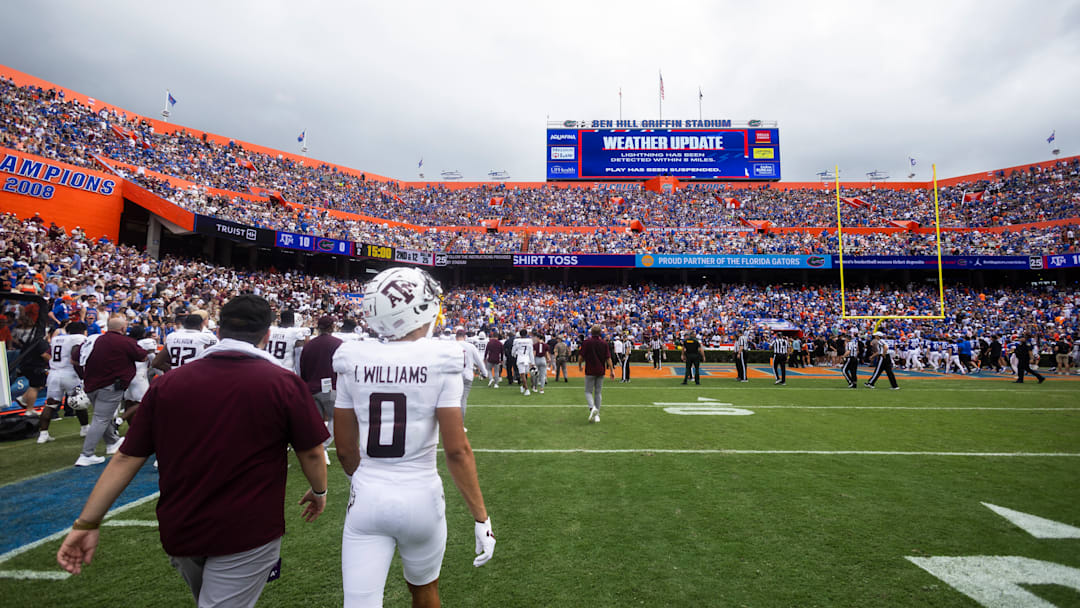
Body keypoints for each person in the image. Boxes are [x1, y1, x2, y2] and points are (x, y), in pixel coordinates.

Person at [57, 295, 330, 608]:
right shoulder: (282, 382)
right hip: (247, 527)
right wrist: (319, 491)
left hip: (182, 525)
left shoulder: (169, 383)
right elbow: (310, 452)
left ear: (218, 332)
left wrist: (87, 522)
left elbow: (126, 458)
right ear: (266, 336)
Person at [332, 267, 495, 607]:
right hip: (422, 496)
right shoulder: (442, 357)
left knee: (360, 602)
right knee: (424, 592)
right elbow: (457, 451)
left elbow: (345, 449)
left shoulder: (352, 357)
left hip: (369, 495)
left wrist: (369, 483)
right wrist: (482, 517)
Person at [76, 314, 151, 466]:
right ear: (123, 328)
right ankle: (86, 454)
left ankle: (112, 442)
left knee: (102, 416)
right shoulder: (124, 341)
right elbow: (142, 357)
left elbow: (75, 358)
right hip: (110, 384)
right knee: (101, 418)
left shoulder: (94, 339)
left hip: (91, 383)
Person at [299, 315, 344, 465]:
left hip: (311, 387)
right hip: (330, 386)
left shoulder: (309, 345)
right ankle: (322, 448)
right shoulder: (338, 344)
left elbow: (302, 367)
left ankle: (316, 448)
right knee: (335, 419)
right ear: (331, 327)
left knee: (317, 422)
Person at [38, 321, 91, 442]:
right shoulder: (79, 338)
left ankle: (43, 434)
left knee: (50, 404)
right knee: (79, 400)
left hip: (54, 374)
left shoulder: (58, 339)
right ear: (82, 331)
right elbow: (75, 354)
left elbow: (48, 354)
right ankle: (84, 428)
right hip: (70, 374)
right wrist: (82, 375)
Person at [152, 313, 218, 371]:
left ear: (184, 324)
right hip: (195, 377)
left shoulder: (172, 336)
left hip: (176, 377)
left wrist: (173, 370)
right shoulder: (207, 337)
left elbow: (156, 363)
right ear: (201, 325)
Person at [579, 325, 614, 423]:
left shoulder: (586, 342)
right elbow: (608, 358)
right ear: (600, 333)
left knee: (588, 391)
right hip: (600, 370)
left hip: (590, 370)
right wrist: (612, 370)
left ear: (591, 332)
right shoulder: (604, 343)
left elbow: (581, 356)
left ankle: (592, 408)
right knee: (598, 392)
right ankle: (597, 415)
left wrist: (579, 365)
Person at [456, 326, 489, 423]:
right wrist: (484, 373)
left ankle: (453, 423)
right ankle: (460, 424)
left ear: (456, 336)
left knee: (452, 400)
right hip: (467, 374)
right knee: (463, 400)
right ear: (465, 336)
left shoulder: (451, 345)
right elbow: (479, 361)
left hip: (455, 375)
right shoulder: (470, 346)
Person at [512, 328, 535, 396]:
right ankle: (524, 387)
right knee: (524, 374)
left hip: (520, 358)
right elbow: (531, 352)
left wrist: (514, 354)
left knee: (523, 374)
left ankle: (525, 388)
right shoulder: (529, 341)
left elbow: (513, 350)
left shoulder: (517, 341)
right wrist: (532, 362)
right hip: (527, 359)